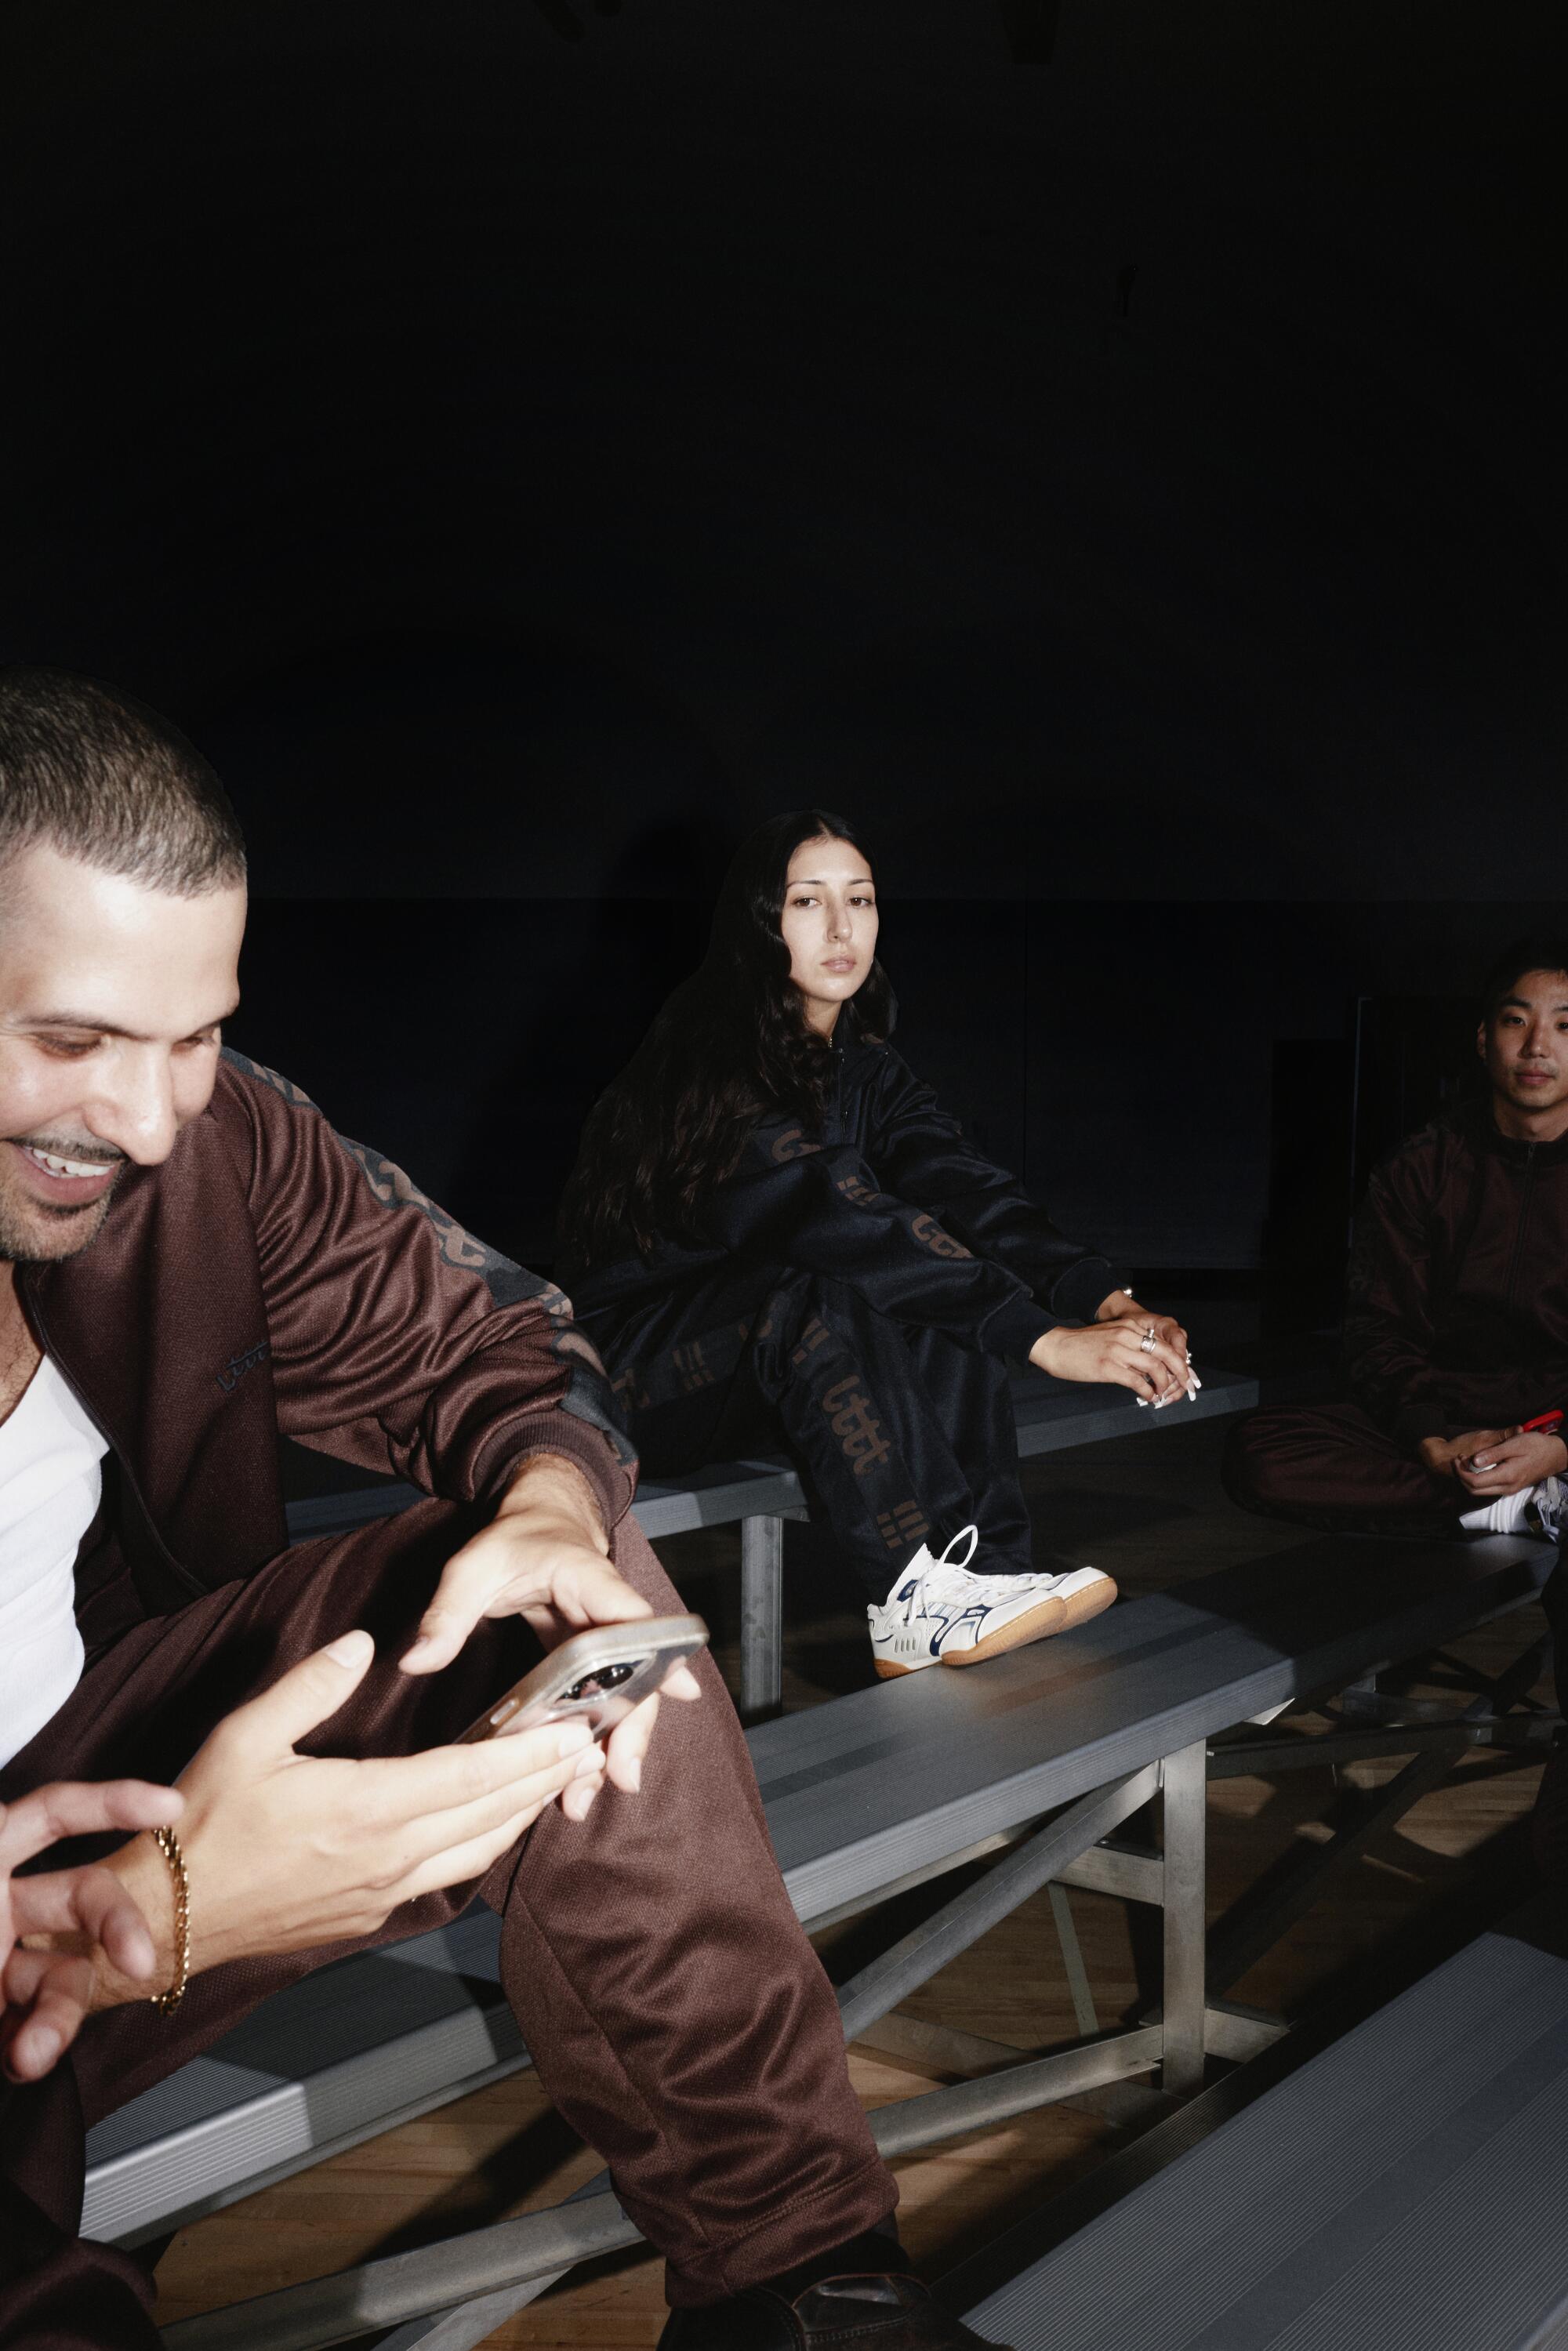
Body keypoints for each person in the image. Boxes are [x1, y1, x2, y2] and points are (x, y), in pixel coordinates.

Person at [0, 669, 1004, 2351]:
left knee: (562, 1582)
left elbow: (501, 1332)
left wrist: (545, 1494)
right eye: (72, 1039)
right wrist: (165, 1910)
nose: (153, 1113)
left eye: (195, 1034)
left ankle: (807, 2287)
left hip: (93, 1784)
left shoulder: (190, 1150)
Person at [558, 810, 1196, 1677]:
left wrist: (1103, 1299)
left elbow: (965, 1189)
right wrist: (1041, 1338)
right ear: (759, 923)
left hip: (744, 1360)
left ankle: (987, 1572)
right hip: (618, 1374)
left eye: (858, 899)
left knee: (933, 1286)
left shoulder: (865, 1066)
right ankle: (910, 1592)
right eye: (806, 901)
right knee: (825, 1283)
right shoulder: (710, 1056)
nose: (839, 926)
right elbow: (832, 1211)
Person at [1224, 940, 1568, 1543]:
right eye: (1516, 1020)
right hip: (1445, 1415)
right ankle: (1509, 1505)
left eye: (1565, 1026)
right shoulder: (1423, 1167)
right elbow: (1379, 1328)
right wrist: (1431, 1439)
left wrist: (1558, 1449)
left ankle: (1537, 1486)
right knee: (1260, 1450)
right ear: (1485, 1039)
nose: (1537, 1046)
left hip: (1558, 1420)